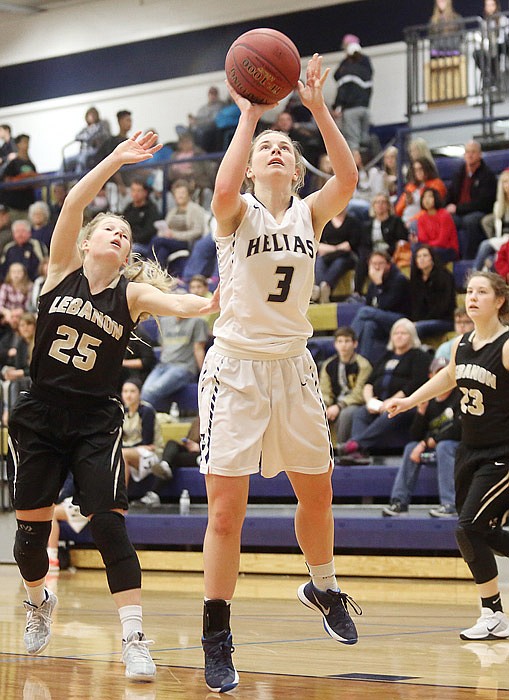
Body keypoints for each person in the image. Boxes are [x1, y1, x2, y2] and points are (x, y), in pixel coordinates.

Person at [6, 131, 218, 679]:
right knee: (28, 538)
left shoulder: (131, 295)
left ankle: (134, 637)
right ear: (88, 242)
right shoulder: (58, 272)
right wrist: (117, 160)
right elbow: (75, 201)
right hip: (40, 414)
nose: (121, 236)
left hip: (96, 420)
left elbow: (178, 303)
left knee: (109, 524)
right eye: (112, 230)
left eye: (126, 234)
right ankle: (38, 600)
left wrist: (215, 301)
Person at [198, 54, 360, 694]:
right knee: (225, 513)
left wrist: (317, 108)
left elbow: (347, 176)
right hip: (236, 369)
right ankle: (217, 635)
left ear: (296, 168)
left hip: (294, 367)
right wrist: (250, 116)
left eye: (282, 149)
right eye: (265, 147)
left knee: (316, 494)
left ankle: (323, 587)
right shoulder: (236, 214)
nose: (272, 151)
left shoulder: (309, 215)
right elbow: (219, 190)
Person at [387, 271, 509, 642]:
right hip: (469, 451)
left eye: (482, 292)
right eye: (469, 291)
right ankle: (494, 616)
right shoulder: (461, 344)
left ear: (499, 300)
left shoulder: (506, 345)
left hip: (502, 453)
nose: (472, 297)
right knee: (478, 531)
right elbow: (449, 378)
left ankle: (494, 615)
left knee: (468, 527)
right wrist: (410, 400)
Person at [337, 318, 431, 465]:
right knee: (360, 413)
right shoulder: (386, 356)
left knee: (391, 411)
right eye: (396, 333)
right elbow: (369, 383)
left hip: (406, 405)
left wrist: (393, 400)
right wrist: (370, 401)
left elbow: (415, 384)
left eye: (403, 333)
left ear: (412, 336)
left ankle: (355, 444)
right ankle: (358, 453)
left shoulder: (419, 356)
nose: (399, 336)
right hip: (380, 403)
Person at [382, 356, 460, 517]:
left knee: (444, 446)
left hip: (457, 448)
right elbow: (414, 435)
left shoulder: (459, 396)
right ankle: (399, 502)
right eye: (438, 373)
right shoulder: (427, 400)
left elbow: (458, 430)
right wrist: (420, 413)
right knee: (411, 447)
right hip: (434, 449)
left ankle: (449, 504)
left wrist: (426, 443)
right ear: (431, 376)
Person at [140, 309, 208, 411]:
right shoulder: (164, 321)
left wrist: (204, 375)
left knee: (150, 392)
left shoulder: (197, 322)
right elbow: (163, 346)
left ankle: (143, 422)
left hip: (183, 367)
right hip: (163, 366)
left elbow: (198, 349)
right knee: (144, 391)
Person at [350, 250, 411, 364]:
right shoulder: (374, 282)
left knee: (364, 312)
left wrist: (379, 285)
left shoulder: (399, 280)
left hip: (400, 319)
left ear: (388, 264)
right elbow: (369, 304)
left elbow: (385, 305)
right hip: (380, 321)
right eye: (374, 264)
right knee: (369, 325)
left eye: (380, 263)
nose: (377, 267)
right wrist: (377, 284)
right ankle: (363, 363)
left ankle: (349, 339)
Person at [131, 414, 202, 508]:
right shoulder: (197, 421)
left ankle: (154, 493)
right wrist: (189, 444)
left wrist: (200, 448)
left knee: (174, 459)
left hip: (207, 455)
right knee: (171, 444)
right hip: (192, 454)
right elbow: (191, 439)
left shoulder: (219, 420)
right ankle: (165, 465)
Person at [445, 140, 497, 260]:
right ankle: (449, 256)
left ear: (480, 154)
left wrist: (457, 208)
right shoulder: (459, 173)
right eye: (467, 152)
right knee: (445, 218)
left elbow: (483, 203)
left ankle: (470, 258)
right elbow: (450, 194)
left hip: (478, 211)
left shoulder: (487, 175)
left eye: (473, 152)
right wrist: (444, 207)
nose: (470, 155)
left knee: (470, 221)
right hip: (458, 212)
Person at [320, 327, 372, 446]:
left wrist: (339, 406)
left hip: (355, 404)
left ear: (355, 344)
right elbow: (324, 391)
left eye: (347, 341)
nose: (343, 345)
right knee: (316, 412)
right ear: (335, 344)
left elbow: (359, 393)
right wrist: (325, 406)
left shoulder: (363, 365)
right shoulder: (329, 364)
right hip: (334, 403)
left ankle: (342, 449)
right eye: (340, 341)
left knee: (346, 414)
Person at [151, 179, 208, 277]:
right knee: (162, 251)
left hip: (185, 242)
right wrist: (165, 233)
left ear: (188, 194)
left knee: (157, 241)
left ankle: (149, 268)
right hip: (170, 242)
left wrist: (174, 235)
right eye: (177, 193)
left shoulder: (195, 209)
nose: (180, 195)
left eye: (183, 193)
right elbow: (165, 227)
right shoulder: (172, 211)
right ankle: (159, 277)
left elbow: (197, 231)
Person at [356, 193, 408, 294]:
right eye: (377, 202)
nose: (380, 205)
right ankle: (357, 292)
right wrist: (371, 256)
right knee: (361, 261)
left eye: (383, 202)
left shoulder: (396, 221)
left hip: (390, 253)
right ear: (373, 206)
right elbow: (363, 244)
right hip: (372, 254)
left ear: (388, 206)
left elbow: (401, 241)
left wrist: (385, 253)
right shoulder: (367, 225)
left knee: (381, 262)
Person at [332, 35, 373, 160]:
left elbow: (342, 88)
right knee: (364, 141)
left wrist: (336, 106)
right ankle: (366, 165)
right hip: (365, 108)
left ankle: (356, 170)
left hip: (351, 110)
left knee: (353, 142)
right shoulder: (366, 70)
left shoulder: (346, 69)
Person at [312, 209, 362, 303]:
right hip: (327, 255)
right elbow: (318, 244)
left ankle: (326, 286)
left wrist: (331, 248)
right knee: (318, 262)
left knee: (339, 263)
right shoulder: (326, 222)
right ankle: (320, 288)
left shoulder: (352, 221)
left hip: (346, 256)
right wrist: (337, 248)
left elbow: (350, 245)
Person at [122, 379, 164, 486]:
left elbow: (147, 442)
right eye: (125, 391)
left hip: (152, 454)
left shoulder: (147, 411)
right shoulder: (122, 412)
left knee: (121, 454)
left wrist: (127, 448)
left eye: (132, 391)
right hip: (132, 450)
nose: (128, 395)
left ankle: (120, 500)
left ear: (139, 393)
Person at [409, 244, 456, 340]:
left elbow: (443, 306)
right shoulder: (415, 279)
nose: (421, 259)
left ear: (432, 259)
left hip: (444, 320)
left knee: (415, 328)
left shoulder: (444, 277)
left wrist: (419, 322)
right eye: (418, 256)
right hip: (422, 321)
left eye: (425, 256)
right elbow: (413, 305)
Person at [473, 169, 509, 271]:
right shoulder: (498, 205)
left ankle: (474, 274)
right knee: (487, 260)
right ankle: (475, 275)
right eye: (505, 182)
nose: (507, 185)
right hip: (502, 239)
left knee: (486, 246)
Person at [416, 187, 459, 263]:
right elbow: (423, 240)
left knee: (430, 254)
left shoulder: (444, 215)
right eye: (424, 197)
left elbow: (442, 241)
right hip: (431, 249)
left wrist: (427, 247)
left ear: (435, 198)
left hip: (448, 249)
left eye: (430, 196)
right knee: (416, 251)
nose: (426, 200)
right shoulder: (421, 219)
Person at [473, 0, 509, 90]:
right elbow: (482, 38)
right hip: (488, 49)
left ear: (496, 6)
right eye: (487, 5)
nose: (490, 8)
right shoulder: (484, 23)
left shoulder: (503, 20)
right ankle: (489, 78)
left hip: (501, 48)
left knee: (498, 48)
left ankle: (495, 80)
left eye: (492, 5)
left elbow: (505, 34)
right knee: (477, 53)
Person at [0, 135, 37, 220]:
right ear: (18, 144)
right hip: (15, 207)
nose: (27, 145)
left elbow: (36, 180)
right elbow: (7, 181)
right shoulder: (12, 164)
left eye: (27, 142)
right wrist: (25, 178)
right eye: (24, 142)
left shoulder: (31, 164)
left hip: (28, 205)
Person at [121, 179, 160, 257]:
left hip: (144, 245)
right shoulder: (129, 208)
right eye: (133, 190)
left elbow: (149, 232)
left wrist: (131, 239)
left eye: (138, 191)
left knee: (130, 250)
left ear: (145, 192)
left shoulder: (151, 209)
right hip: (127, 241)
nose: (135, 193)